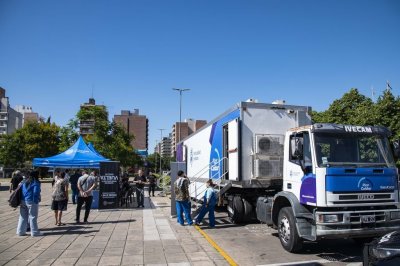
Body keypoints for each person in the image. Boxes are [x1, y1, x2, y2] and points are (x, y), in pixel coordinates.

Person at [16, 170, 43, 237]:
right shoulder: (35, 182)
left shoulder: (24, 181)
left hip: (23, 200)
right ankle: (34, 232)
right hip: (31, 201)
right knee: (33, 217)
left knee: (22, 216)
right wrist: (36, 201)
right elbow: (36, 192)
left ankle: (20, 231)